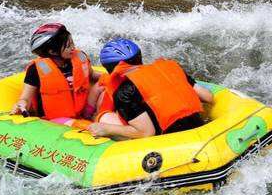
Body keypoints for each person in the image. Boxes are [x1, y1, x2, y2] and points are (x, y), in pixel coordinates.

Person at [87, 38, 215, 139]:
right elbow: (208, 97)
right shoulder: (170, 68)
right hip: (199, 127)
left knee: (106, 117)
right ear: (139, 58)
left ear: (110, 69)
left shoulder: (124, 91)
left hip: (172, 142)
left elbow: (146, 133)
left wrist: (106, 129)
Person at [10, 23, 105, 128]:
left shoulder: (78, 58)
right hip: (55, 118)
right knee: (82, 126)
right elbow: (26, 98)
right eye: (68, 46)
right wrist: (22, 104)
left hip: (82, 110)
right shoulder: (36, 69)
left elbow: (91, 75)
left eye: (72, 43)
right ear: (53, 51)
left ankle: (95, 116)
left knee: (104, 84)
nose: (73, 48)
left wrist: (112, 77)